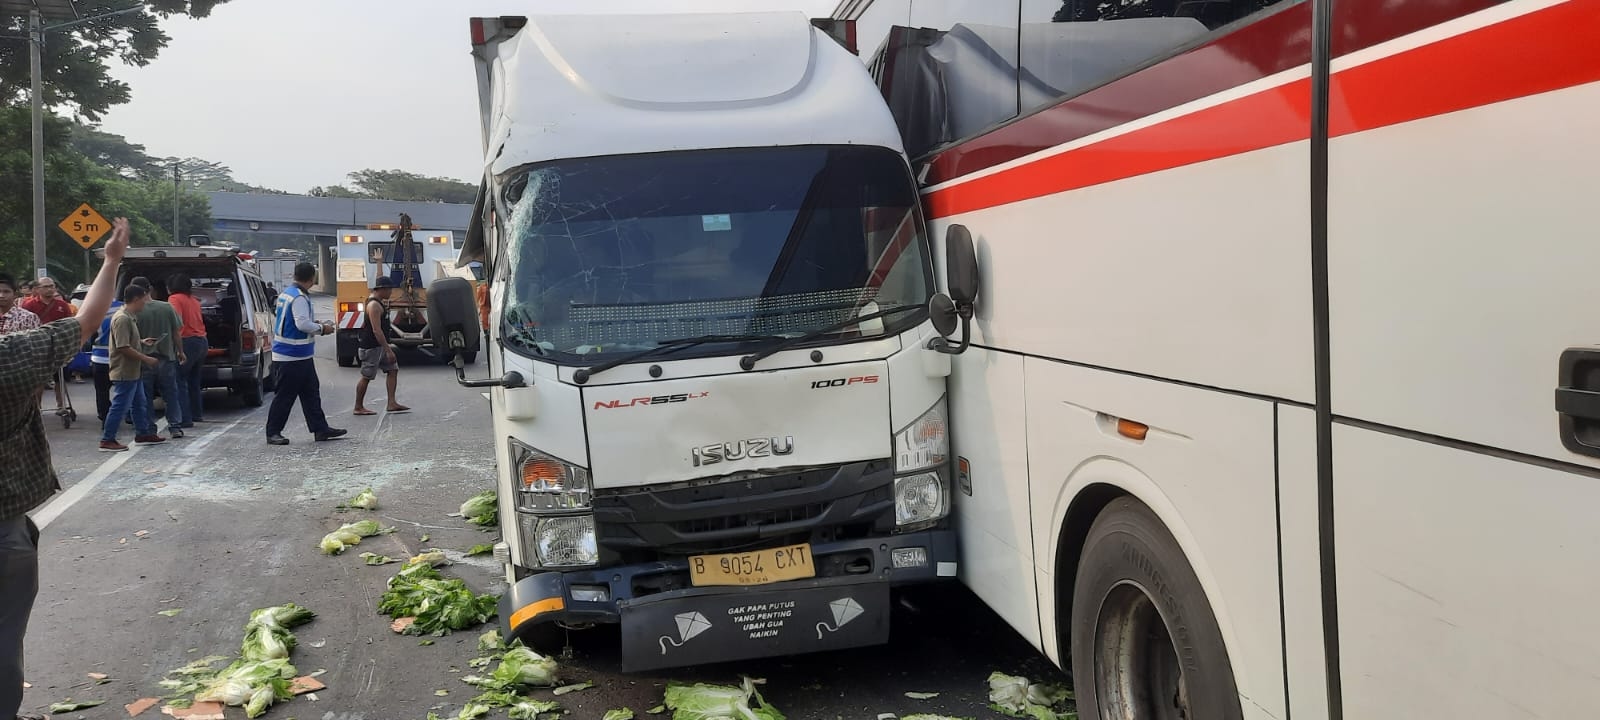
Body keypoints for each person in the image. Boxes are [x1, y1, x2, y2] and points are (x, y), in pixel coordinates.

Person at [2, 216, 129, 720]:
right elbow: (90, 318)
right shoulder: (12, 356)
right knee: (4, 637)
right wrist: (112, 260)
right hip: (4, 532)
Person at [265, 262, 347, 446]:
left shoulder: (288, 293)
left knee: (311, 393)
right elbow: (302, 324)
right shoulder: (299, 298)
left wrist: (313, 322)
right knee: (285, 397)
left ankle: (320, 428)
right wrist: (322, 328)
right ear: (312, 279)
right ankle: (273, 432)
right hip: (291, 356)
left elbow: (294, 321)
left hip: (299, 355)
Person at [101, 283, 165, 452]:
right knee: (120, 405)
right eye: (144, 300)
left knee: (139, 403)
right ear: (136, 299)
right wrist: (146, 358)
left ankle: (143, 433)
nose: (145, 304)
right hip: (124, 370)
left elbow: (127, 342)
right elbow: (122, 347)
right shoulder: (122, 318)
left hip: (133, 370)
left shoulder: (129, 317)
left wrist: (141, 342)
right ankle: (108, 439)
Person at [126, 277, 187, 437]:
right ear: (150, 289)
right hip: (166, 357)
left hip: (143, 359)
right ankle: (175, 427)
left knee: (145, 396)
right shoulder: (166, 307)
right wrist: (180, 351)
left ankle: (150, 428)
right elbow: (176, 333)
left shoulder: (133, 311)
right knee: (171, 394)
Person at [352, 276, 410, 416]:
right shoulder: (374, 306)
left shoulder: (378, 302)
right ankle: (358, 406)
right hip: (372, 347)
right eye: (389, 289)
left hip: (379, 346)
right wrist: (388, 349)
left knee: (393, 369)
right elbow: (376, 330)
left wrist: (378, 262)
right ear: (382, 289)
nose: (391, 292)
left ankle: (391, 403)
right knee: (367, 376)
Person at [167, 273, 208, 425]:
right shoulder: (194, 301)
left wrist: (178, 349)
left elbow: (176, 323)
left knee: (179, 380)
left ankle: (185, 418)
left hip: (187, 342)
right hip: (202, 341)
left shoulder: (174, 299)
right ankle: (197, 414)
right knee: (194, 380)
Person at [88, 291, 125, 424]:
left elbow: (89, 337)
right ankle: (126, 415)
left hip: (99, 358)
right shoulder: (123, 307)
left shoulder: (93, 311)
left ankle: (105, 417)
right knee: (124, 389)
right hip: (120, 357)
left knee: (102, 391)